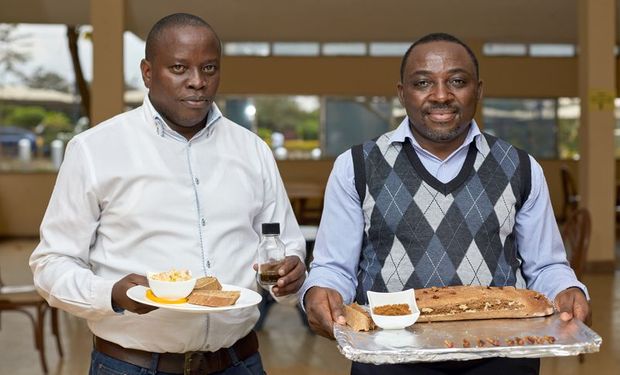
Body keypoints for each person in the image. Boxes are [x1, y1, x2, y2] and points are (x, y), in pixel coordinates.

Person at [30, 13, 306, 375]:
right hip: (132, 366)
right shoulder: (94, 150)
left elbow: (284, 245)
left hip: (239, 363)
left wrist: (289, 274)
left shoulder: (253, 151)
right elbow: (51, 264)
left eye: (209, 69)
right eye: (179, 68)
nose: (197, 82)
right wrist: (111, 294)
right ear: (147, 72)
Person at [301, 33, 590, 375]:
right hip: (390, 358)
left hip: (501, 357)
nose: (441, 95)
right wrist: (320, 292)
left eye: (457, 81)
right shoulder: (357, 166)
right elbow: (335, 267)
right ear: (402, 93)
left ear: (478, 91)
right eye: (423, 82)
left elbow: (545, 266)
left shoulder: (521, 167)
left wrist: (567, 289)